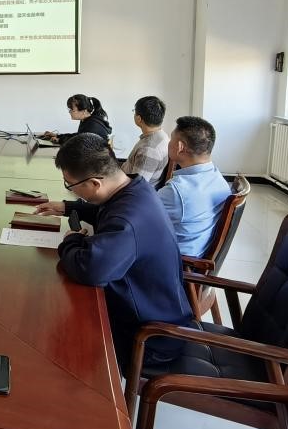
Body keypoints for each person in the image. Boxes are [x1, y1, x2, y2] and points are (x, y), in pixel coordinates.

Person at [33, 134, 193, 370]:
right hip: (152, 310)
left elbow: (90, 270)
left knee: (47, 331)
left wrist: (71, 240)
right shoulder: (135, 188)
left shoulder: (127, 221)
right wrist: (68, 207)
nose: (71, 190)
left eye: (70, 185)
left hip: (148, 338)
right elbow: (106, 210)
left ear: (95, 183)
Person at [159, 116, 232, 258]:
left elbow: (139, 216)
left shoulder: (176, 191)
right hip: (198, 252)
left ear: (180, 147)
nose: (168, 143)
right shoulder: (218, 178)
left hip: (176, 261)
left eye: (171, 139)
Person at [121, 96, 170, 184]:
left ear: (139, 118)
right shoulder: (162, 135)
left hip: (125, 187)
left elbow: (137, 186)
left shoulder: (148, 150)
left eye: (134, 112)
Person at [43, 94, 111, 143]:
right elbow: (78, 136)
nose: (69, 112)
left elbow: (80, 141)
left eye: (72, 110)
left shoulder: (93, 125)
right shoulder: (87, 120)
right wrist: (57, 136)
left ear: (84, 111)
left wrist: (59, 140)